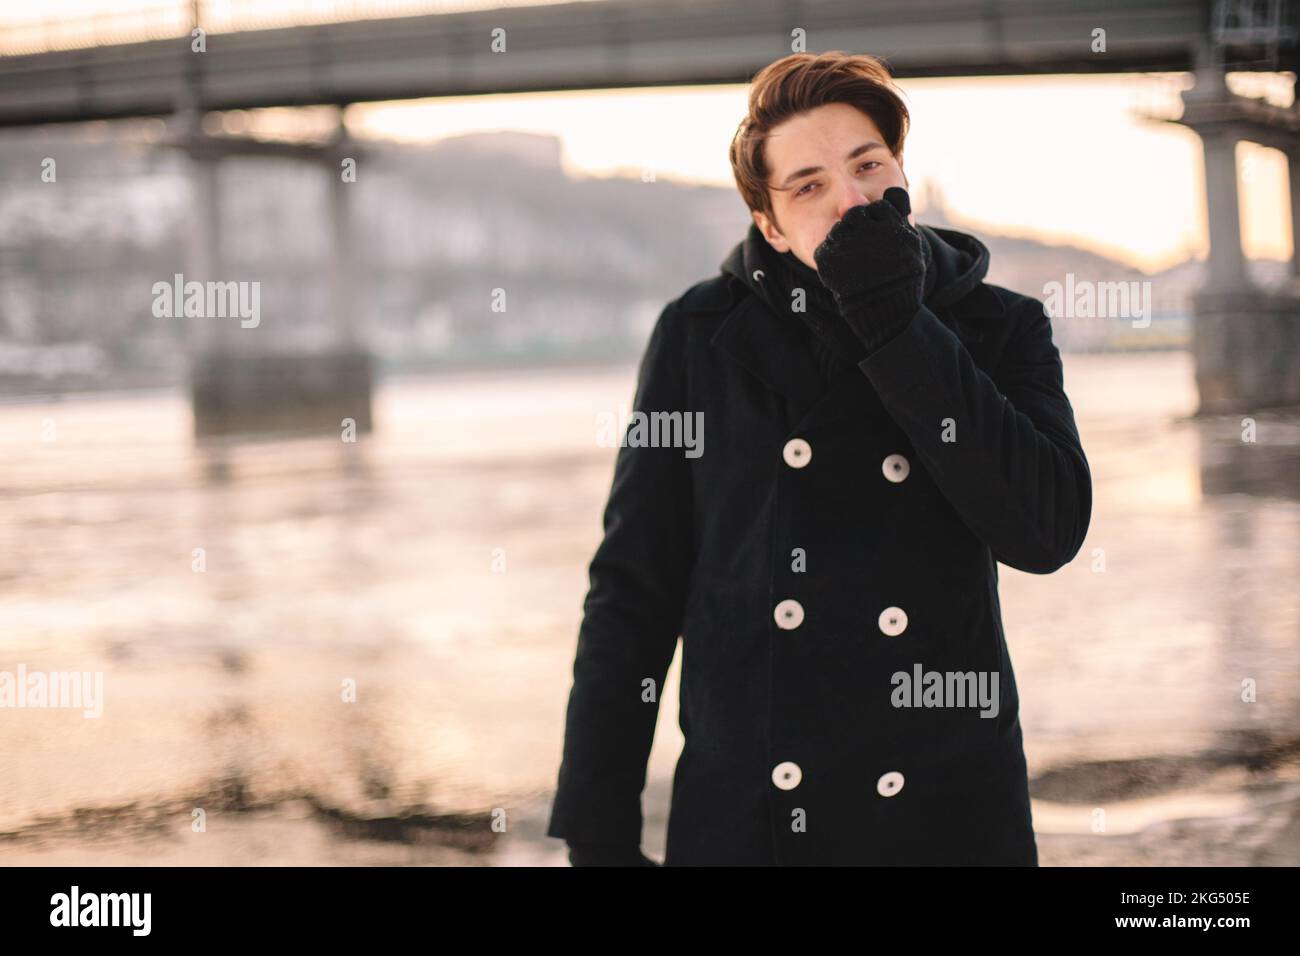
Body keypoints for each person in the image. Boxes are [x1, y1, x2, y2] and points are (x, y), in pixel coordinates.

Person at [546, 50, 1092, 866]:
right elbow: (634, 590)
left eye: (869, 165)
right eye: (808, 186)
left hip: (945, 818)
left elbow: (1045, 533)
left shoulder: (998, 326)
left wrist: (898, 325)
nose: (851, 199)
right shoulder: (700, 336)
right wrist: (597, 828)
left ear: (902, 171)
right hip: (751, 823)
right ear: (768, 222)